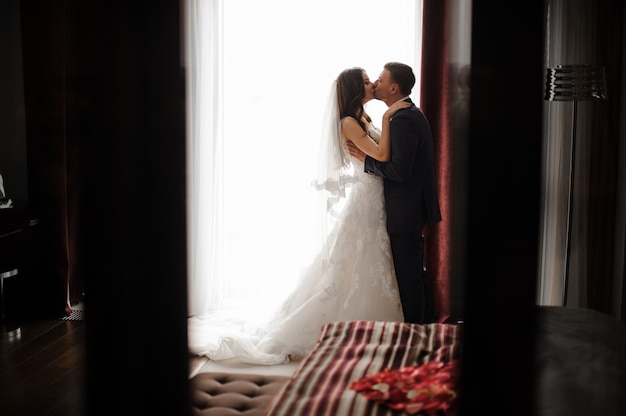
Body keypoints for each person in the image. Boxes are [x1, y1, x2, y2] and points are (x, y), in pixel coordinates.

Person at [188, 67, 408, 365]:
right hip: (367, 197)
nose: (373, 84)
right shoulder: (348, 123)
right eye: (367, 81)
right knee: (358, 259)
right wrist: (388, 117)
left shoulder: (362, 118)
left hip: (375, 195)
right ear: (356, 89)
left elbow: (380, 154)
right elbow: (382, 155)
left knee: (363, 259)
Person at [347, 62, 442, 324]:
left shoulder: (402, 119)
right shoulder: (406, 114)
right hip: (409, 205)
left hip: (406, 207)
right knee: (414, 271)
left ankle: (415, 330)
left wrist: (366, 163)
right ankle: (426, 324)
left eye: (379, 79)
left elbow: (399, 171)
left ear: (393, 87)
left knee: (408, 274)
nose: (375, 84)